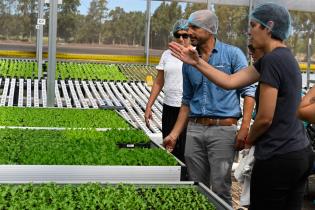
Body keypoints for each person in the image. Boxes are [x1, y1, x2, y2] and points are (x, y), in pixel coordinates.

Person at [169, 3, 314, 210]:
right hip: (298, 152)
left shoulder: (272, 60)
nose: (249, 31)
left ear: (269, 27)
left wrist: (248, 140)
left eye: (254, 25)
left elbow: (264, 117)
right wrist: (197, 63)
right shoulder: (282, 57)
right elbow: (230, 81)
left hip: (278, 154)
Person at [163, 10, 256, 205]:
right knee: (197, 185)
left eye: (194, 28)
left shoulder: (232, 55)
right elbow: (187, 101)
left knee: (221, 187)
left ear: (210, 30)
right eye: (188, 28)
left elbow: (248, 92)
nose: (189, 33)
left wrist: (245, 127)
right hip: (195, 129)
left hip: (223, 129)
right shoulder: (188, 61)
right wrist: (174, 134)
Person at [144, 19, 190, 163]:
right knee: (169, 146)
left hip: (188, 109)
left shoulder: (196, 55)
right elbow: (159, 81)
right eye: (178, 35)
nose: (181, 39)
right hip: (169, 107)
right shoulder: (167, 54)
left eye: (185, 35)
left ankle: (186, 179)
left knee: (185, 149)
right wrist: (149, 105)